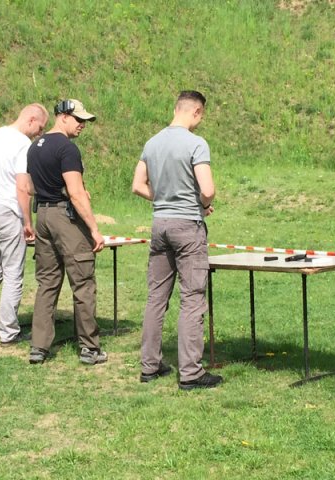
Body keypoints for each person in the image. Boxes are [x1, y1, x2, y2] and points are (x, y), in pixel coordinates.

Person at [132, 90, 223, 390]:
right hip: (187, 227)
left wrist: (164, 199)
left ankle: (150, 365)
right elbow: (207, 190)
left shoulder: (152, 142)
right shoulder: (196, 143)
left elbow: (137, 185)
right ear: (196, 112)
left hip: (160, 224)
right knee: (192, 298)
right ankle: (191, 372)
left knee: (156, 297)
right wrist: (201, 203)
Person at [26, 99, 106, 365]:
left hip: (43, 215)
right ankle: (89, 348)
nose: (82, 125)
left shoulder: (34, 146)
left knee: (47, 283)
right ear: (62, 116)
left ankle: (39, 347)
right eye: (78, 119)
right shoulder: (67, 148)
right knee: (83, 283)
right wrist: (94, 229)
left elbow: (29, 187)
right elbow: (75, 192)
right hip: (64, 218)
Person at [0, 103, 49, 347]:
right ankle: (8, 331)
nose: (40, 134)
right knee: (13, 272)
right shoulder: (23, 144)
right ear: (31, 119)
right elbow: (22, 186)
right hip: (8, 210)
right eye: (40, 128)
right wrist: (27, 221)